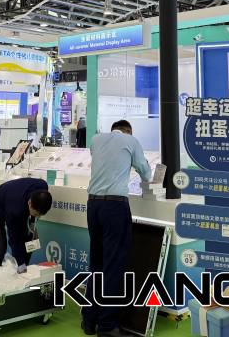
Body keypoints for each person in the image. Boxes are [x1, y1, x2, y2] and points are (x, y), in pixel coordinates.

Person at [83, 120, 151, 337]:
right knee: (113, 265)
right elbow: (146, 173)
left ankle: (89, 320)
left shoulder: (96, 139)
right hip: (115, 206)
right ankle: (107, 326)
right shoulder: (131, 141)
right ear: (128, 131)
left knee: (96, 263)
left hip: (93, 204)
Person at [0, 177, 52, 271]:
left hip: (9, 203)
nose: (37, 216)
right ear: (29, 203)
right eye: (36, 214)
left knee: (29, 240)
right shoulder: (15, 210)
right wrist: (20, 263)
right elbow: (14, 239)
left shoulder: (42, 186)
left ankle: (23, 270)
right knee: (0, 246)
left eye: (39, 215)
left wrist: (32, 222)